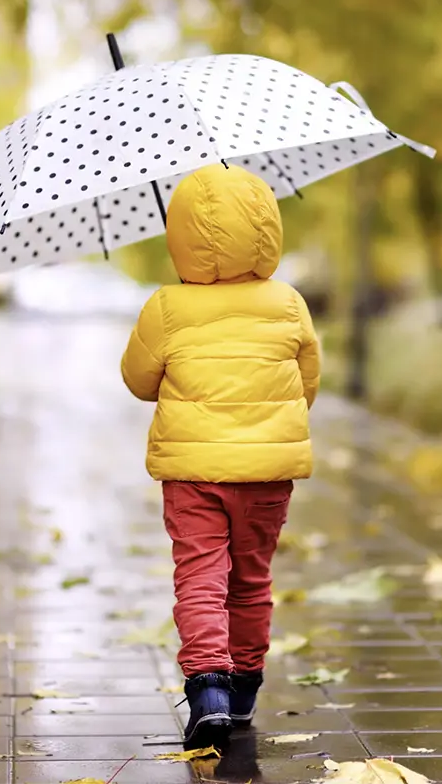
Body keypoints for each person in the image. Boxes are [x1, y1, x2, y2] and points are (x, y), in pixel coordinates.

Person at [120, 163, 321, 748]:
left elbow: (137, 380)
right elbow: (306, 382)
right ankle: (245, 686)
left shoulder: (167, 307)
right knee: (251, 579)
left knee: (201, 578)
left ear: (180, 236)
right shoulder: (288, 303)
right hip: (266, 473)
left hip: (193, 476)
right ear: (266, 228)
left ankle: (207, 686)